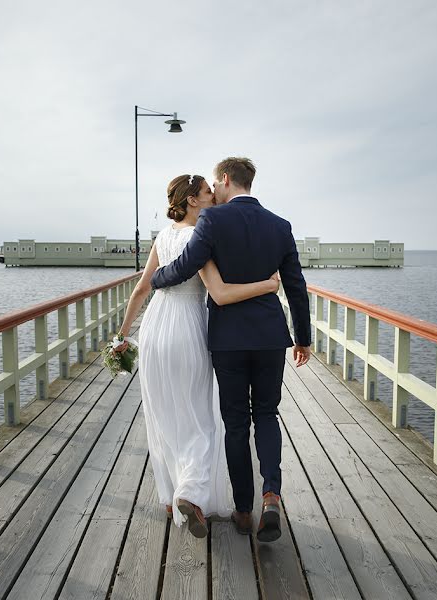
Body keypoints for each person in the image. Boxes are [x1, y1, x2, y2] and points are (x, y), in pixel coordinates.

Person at [152, 157, 311, 543]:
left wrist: (158, 278)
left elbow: (188, 265)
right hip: (271, 336)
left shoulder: (212, 221)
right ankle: (271, 494)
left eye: (215, 184)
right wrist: (303, 338)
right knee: (268, 414)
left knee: (236, 423)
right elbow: (296, 286)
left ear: (225, 179)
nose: (214, 191)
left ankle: (243, 509)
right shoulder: (280, 225)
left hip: (228, 340)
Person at [115, 173, 279, 538]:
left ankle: (172, 495)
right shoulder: (200, 238)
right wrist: (268, 285)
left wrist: (122, 335)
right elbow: (219, 293)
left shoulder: (163, 236)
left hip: (155, 328)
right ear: (192, 200)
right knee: (201, 418)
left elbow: (142, 288)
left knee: (164, 414)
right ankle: (191, 493)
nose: (214, 196)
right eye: (208, 192)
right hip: (187, 327)